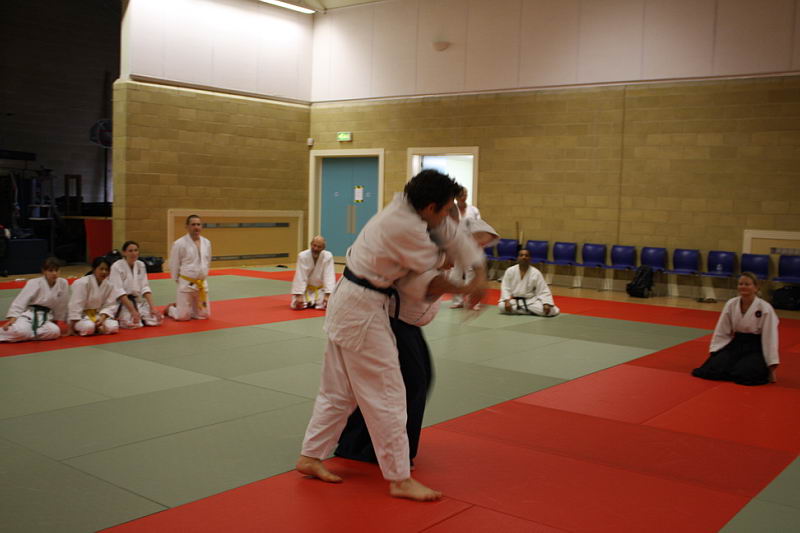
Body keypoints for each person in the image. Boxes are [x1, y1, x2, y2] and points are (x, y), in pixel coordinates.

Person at [296, 170, 486, 502]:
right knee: (389, 393)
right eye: (444, 209)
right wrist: (469, 286)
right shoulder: (404, 227)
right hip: (361, 309)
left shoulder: (410, 207)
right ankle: (399, 478)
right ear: (430, 206)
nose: (447, 217)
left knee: (339, 391)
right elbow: (435, 271)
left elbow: (450, 233)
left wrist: (479, 270)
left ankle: (310, 456)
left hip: (351, 302)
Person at [335, 218, 499, 466]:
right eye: (474, 244)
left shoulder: (450, 249)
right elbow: (429, 282)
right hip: (387, 322)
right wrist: (468, 289)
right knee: (407, 384)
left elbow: (474, 252)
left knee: (413, 382)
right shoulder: (424, 249)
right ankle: (366, 447)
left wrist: (477, 277)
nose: (476, 251)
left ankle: (369, 443)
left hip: (404, 325)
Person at [692, 272, 780, 386]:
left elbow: (770, 337)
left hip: (756, 347)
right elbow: (722, 329)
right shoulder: (731, 304)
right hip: (736, 344)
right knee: (713, 368)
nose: (743, 287)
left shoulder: (765, 308)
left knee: (746, 373)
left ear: (756, 287)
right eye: (740, 284)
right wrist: (716, 350)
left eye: (747, 284)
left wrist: (771, 364)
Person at [1, 257, 68, 342]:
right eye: (50, 271)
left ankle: (26, 335)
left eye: (57, 270)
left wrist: (57, 319)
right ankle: (22, 333)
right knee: (20, 331)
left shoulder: (63, 283)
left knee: (55, 331)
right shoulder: (34, 282)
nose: (54, 273)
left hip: (45, 317)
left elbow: (62, 304)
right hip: (29, 315)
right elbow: (21, 301)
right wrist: (13, 318)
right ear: (44, 271)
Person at [165, 214, 212, 321]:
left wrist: (204, 274)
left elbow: (207, 261)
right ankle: (171, 309)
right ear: (187, 226)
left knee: (203, 315)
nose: (196, 227)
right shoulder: (179, 243)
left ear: (201, 226)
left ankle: (188, 308)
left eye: (198, 224)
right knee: (183, 317)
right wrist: (178, 280)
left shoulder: (207, 243)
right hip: (186, 283)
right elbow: (174, 264)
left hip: (201, 284)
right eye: (193, 224)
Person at [109, 240, 163, 328]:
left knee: (156, 320)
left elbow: (145, 287)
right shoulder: (116, 266)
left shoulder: (140, 265)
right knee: (134, 323)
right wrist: (133, 311)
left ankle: (142, 315)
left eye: (136, 250)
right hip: (123, 303)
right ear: (124, 253)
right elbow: (119, 291)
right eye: (130, 251)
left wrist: (153, 307)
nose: (134, 253)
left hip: (138, 301)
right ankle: (127, 316)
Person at [68, 256, 124, 336]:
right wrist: (71, 327)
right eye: (101, 269)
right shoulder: (82, 283)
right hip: (82, 317)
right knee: (89, 327)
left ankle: (97, 328)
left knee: (113, 326)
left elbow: (110, 305)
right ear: (94, 269)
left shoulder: (109, 285)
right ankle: (95, 328)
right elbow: (75, 305)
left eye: (106, 270)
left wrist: (102, 318)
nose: (104, 272)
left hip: (97, 315)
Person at [498, 249, 560, 316]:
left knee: (552, 311)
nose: (524, 257)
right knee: (501, 306)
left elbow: (543, 289)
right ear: (518, 258)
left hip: (531, 302)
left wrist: (546, 303)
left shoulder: (535, 273)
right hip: (515, 301)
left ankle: (521, 311)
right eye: (521, 255)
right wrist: (507, 301)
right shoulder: (510, 271)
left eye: (526, 255)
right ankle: (528, 311)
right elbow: (505, 287)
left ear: (530, 258)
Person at [449, 186, 481, 309]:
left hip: (470, 245)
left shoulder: (473, 210)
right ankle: (457, 301)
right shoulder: (450, 210)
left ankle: (472, 302)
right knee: (454, 275)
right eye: (461, 195)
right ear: (456, 197)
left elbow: (479, 226)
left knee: (471, 274)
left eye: (465, 194)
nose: (464, 197)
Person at [290, 236, 335, 310]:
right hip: (306, 290)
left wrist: (328, 295)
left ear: (323, 248)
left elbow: (329, 276)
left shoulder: (328, 256)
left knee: (330, 303)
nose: (315, 248)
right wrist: (299, 295)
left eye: (319, 247)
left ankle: (313, 303)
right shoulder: (302, 256)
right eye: (314, 245)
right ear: (311, 244)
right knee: (296, 304)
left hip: (320, 290)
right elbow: (300, 276)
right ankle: (309, 302)